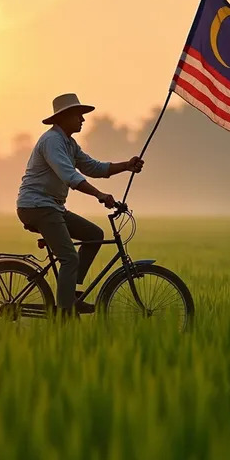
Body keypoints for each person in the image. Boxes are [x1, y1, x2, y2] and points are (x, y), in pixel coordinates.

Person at [16, 92, 144, 318]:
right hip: (37, 206)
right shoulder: (52, 142)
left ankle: (69, 293)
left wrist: (127, 165)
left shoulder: (69, 144)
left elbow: (93, 167)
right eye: (78, 115)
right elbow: (69, 176)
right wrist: (99, 195)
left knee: (94, 234)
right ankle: (65, 315)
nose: (83, 120)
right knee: (69, 258)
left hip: (52, 207)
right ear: (64, 117)